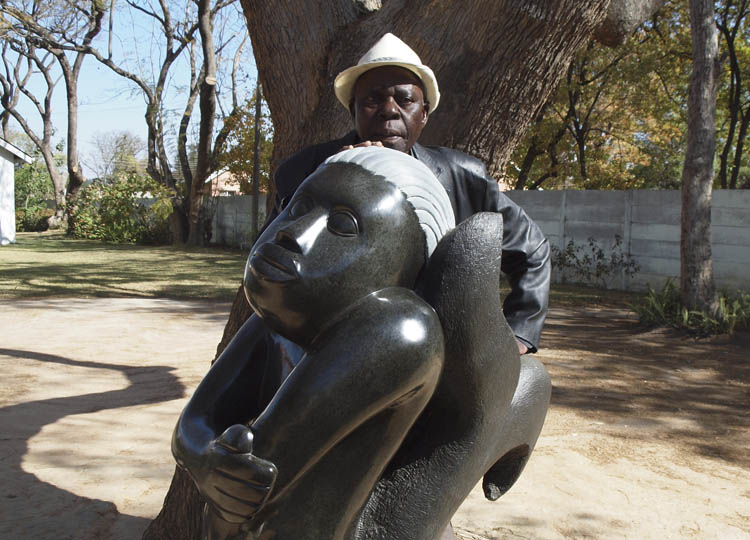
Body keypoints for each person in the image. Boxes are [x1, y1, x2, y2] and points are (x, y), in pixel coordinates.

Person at [269, 32, 551, 355]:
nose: (389, 111)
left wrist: (519, 334)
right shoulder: (306, 172)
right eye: (373, 100)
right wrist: (335, 178)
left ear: (424, 113)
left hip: (434, 360)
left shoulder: (464, 180)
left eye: (404, 100)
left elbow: (534, 252)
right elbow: (272, 265)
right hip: (326, 355)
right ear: (353, 111)